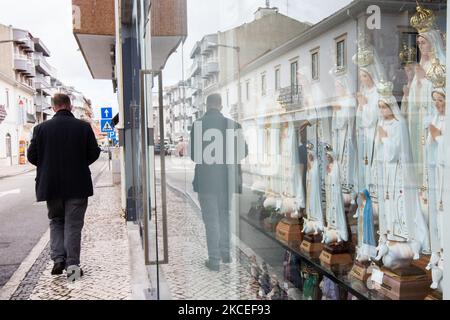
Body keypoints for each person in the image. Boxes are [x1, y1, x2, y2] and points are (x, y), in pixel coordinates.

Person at [27, 93, 100, 279]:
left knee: (57, 222)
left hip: (51, 186)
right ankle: (73, 269)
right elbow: (94, 153)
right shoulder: (83, 127)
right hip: (77, 185)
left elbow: (31, 157)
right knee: (73, 226)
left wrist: (48, 167)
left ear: (53, 108)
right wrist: (79, 165)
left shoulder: (40, 129)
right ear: (70, 106)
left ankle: (58, 260)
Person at [189, 94, 248, 271]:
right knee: (224, 216)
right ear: (221, 106)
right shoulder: (234, 125)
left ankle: (214, 260)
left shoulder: (198, 125)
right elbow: (243, 152)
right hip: (226, 181)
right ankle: (225, 254)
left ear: (207, 106)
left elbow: (194, 156)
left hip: (207, 182)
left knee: (211, 220)